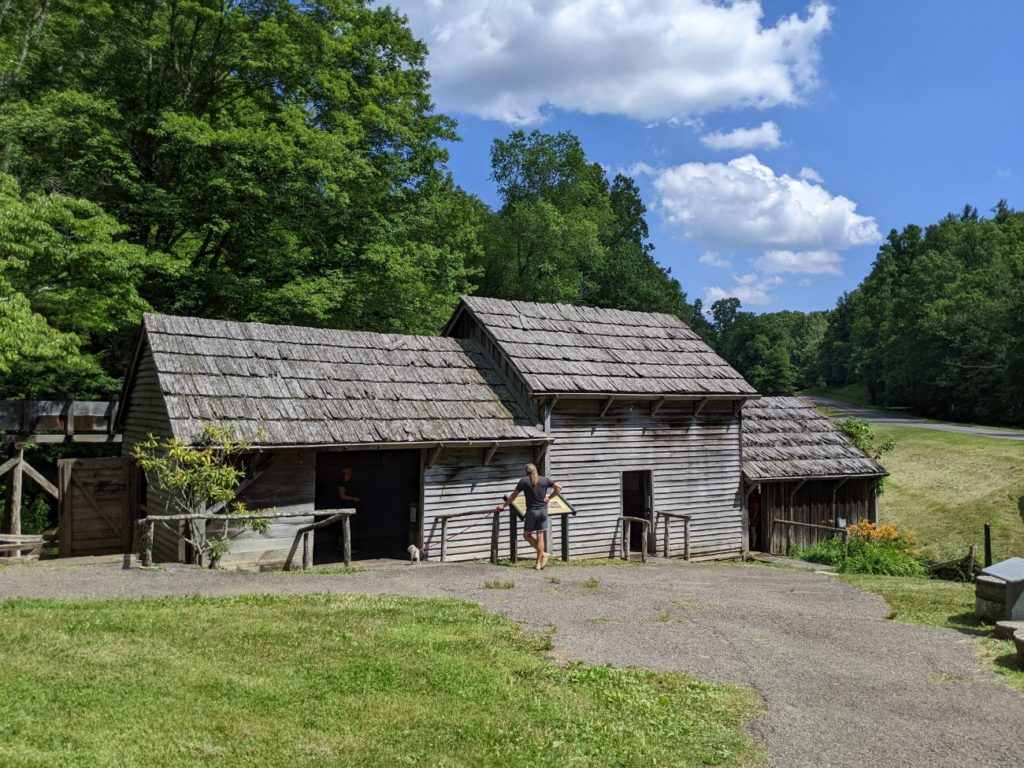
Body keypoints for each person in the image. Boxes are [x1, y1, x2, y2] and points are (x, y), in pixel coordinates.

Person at [496, 463, 562, 570]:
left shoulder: (524, 481)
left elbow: (513, 496)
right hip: (543, 511)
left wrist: (503, 505)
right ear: (536, 470)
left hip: (532, 512)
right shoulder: (545, 480)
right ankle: (538, 563)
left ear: (526, 472)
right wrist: (549, 497)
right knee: (540, 536)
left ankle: (544, 555)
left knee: (527, 535)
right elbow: (559, 487)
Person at [337, 467, 360, 552]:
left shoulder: (348, 483)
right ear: (345, 474)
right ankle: (345, 548)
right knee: (344, 527)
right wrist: (353, 498)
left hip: (346, 507)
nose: (350, 475)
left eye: (350, 473)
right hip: (343, 508)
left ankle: (342, 547)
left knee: (343, 527)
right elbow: (342, 495)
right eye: (349, 473)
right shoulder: (342, 484)